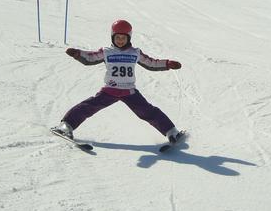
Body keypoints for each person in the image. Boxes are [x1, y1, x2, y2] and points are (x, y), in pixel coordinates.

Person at [52, 19, 183, 143]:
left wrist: (167, 64)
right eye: (117, 38)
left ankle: (171, 132)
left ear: (129, 38)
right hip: (110, 90)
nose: (120, 41)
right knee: (88, 106)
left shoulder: (135, 52)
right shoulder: (106, 52)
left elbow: (151, 63)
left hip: (129, 91)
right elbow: (90, 58)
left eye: (123, 38)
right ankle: (66, 126)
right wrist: (78, 54)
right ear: (112, 37)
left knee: (148, 111)